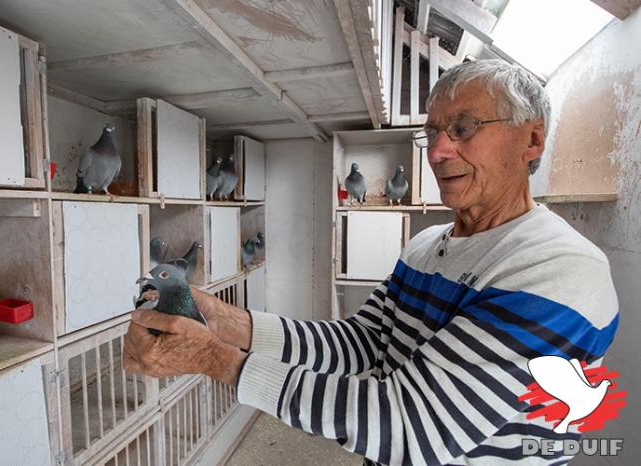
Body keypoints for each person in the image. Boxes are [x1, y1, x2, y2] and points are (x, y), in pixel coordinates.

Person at [123, 59, 620, 465]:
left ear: (531, 139)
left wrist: (215, 359)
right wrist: (224, 319)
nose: (440, 151)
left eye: (464, 128)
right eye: (434, 132)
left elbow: (412, 426)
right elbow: (362, 344)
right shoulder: (425, 249)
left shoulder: (559, 270)